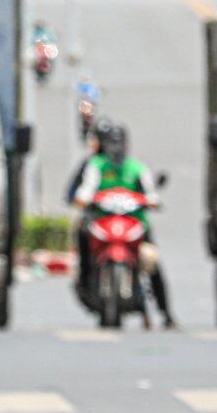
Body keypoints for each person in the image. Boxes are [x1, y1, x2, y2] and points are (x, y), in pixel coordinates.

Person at [72, 122, 177, 328]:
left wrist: (152, 200)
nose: (116, 148)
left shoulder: (137, 167)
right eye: (112, 143)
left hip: (134, 223)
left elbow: (151, 193)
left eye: (120, 143)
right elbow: (86, 189)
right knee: (82, 237)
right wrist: (84, 199)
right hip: (102, 223)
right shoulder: (96, 166)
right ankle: (85, 280)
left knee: (152, 262)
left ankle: (166, 313)